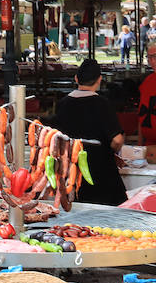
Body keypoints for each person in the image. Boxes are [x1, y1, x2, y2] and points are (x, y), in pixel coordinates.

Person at [45, 59, 128, 206]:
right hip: (102, 175)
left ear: (76, 78)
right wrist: (112, 151)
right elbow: (117, 140)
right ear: (99, 80)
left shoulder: (63, 104)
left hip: (72, 174)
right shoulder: (102, 104)